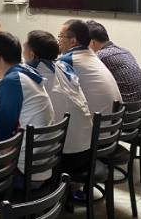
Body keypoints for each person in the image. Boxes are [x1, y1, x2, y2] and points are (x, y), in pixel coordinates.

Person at [0, 32, 55, 188]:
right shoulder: (25, 73)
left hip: (20, 174)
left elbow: (0, 136)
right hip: (41, 169)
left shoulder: (12, 82)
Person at [23, 30, 92, 174]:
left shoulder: (31, 73)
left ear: (32, 55)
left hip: (62, 158)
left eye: (24, 48)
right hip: (87, 151)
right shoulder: (65, 68)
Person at [57, 19, 122, 116]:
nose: (58, 40)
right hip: (113, 122)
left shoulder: (68, 61)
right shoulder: (92, 56)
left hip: (97, 123)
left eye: (60, 36)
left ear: (73, 41)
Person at [87, 20, 141, 102]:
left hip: (125, 107)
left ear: (91, 42)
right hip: (140, 106)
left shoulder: (101, 56)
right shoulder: (124, 51)